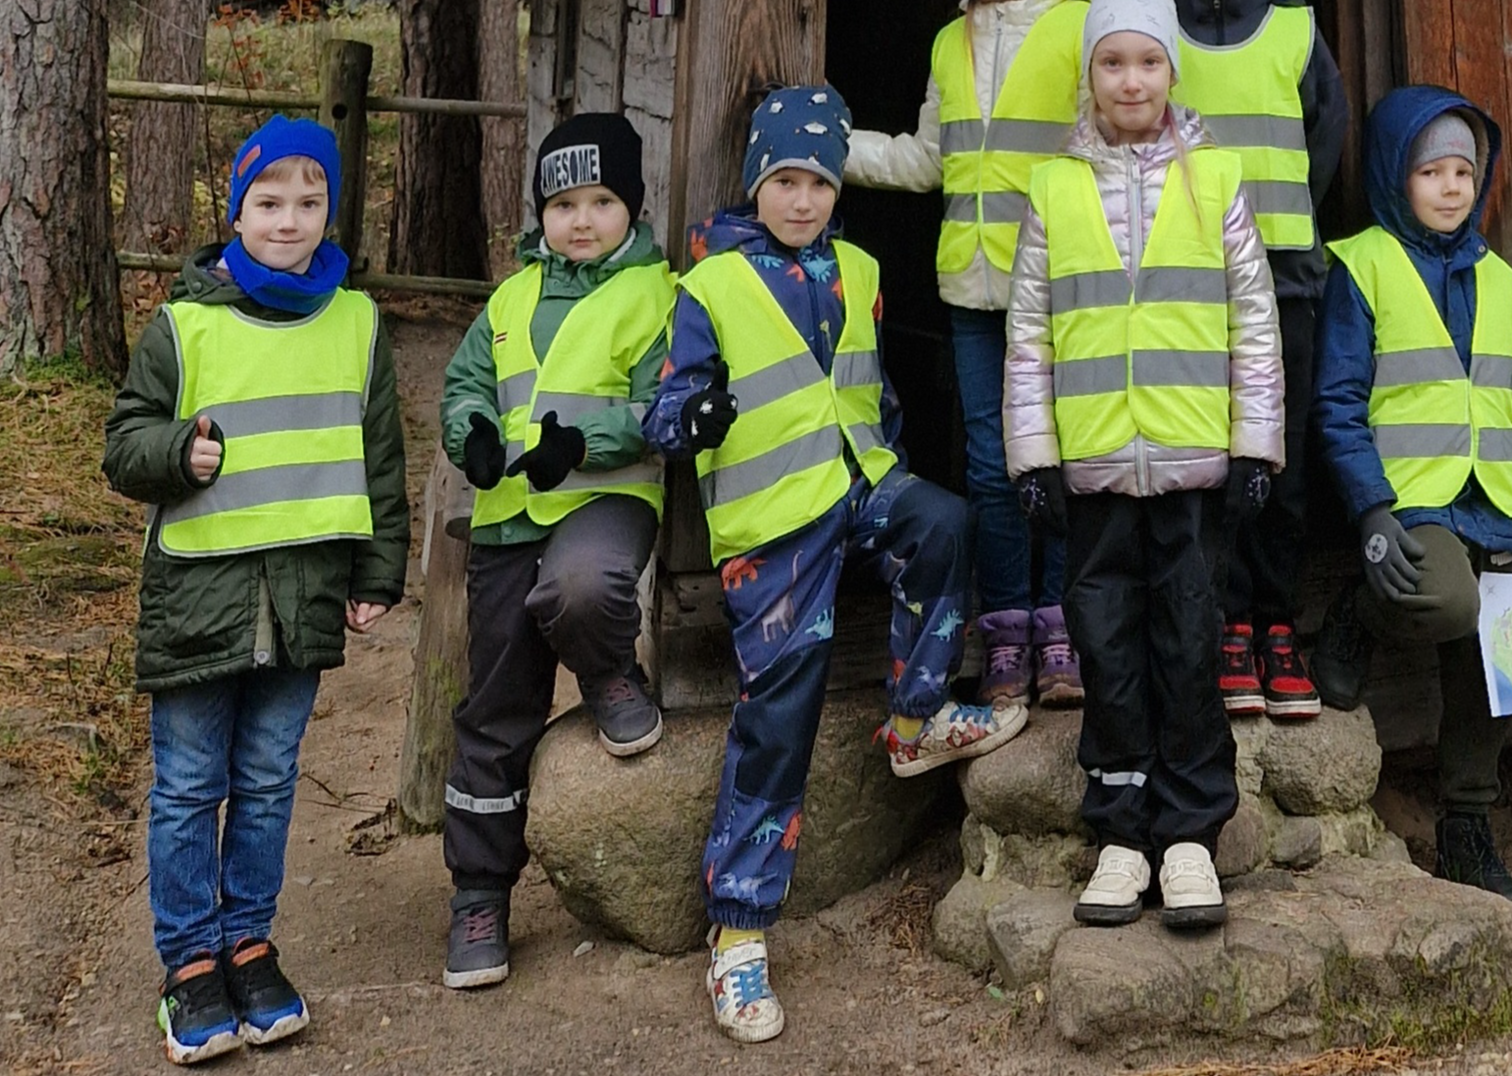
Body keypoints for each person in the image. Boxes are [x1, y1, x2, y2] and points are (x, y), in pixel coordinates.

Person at [645, 86, 1026, 1042]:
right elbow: (666, 406)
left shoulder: (859, 266)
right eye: (783, 180)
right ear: (755, 185)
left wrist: (888, 452)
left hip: (859, 486)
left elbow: (870, 386)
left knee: (942, 521)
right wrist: (690, 418)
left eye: (816, 179)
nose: (802, 198)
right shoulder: (709, 284)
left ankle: (914, 715)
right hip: (774, 525)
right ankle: (737, 935)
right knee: (779, 715)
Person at [102, 117, 408, 1065]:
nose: (289, 220)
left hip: (306, 597)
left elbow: (382, 460)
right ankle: (189, 963)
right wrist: (174, 454)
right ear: (236, 209)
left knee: (271, 782)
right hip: (202, 598)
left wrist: (377, 571)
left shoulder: (356, 322)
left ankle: (250, 941)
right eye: (268, 202)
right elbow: (122, 444)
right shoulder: (185, 321)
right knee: (191, 784)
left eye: (309, 201)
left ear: (330, 210)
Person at [1003, 0, 1284, 931]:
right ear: (1089, 76)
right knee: (1107, 646)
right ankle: (1122, 832)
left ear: (1172, 70)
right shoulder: (1054, 186)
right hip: (1093, 471)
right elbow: (1028, 331)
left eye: (1148, 61)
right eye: (1113, 62)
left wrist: (1256, 443)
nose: (1132, 80)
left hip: (1195, 466)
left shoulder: (1217, 177)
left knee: (1190, 641)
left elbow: (1255, 318)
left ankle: (1191, 835)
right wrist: (1033, 455)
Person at [1305, 86, 1512, 915]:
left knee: (1489, 656)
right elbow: (1337, 401)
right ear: (1397, 175)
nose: (1453, 185)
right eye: (1432, 169)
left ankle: (1466, 823)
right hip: (1410, 502)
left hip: (1493, 500)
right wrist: (1368, 513)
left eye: (1465, 169)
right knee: (1450, 598)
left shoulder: (1500, 279)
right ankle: (1360, 612)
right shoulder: (1362, 264)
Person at [434, 114, 675, 991]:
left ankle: (611, 670)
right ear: (540, 213)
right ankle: (479, 890)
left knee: (580, 588)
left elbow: (664, 406)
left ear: (632, 207)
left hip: (604, 499)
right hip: (507, 517)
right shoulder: (508, 299)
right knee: (495, 702)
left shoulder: (659, 296)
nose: (580, 220)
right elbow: (466, 385)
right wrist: (475, 438)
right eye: (563, 203)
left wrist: (587, 440)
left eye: (601, 201)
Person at [844, 0, 1093, 708]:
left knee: (1060, 455)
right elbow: (927, 159)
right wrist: (829, 147)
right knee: (990, 465)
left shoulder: (1087, 25)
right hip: (973, 286)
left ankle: (1062, 626)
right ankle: (1007, 629)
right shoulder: (951, 42)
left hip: (1064, 283)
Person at [1159, 0, 1349, 722]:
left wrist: (1279, 231)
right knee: (1209, 456)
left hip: (1286, 280)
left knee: (1282, 458)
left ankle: (1278, 624)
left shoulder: (1296, 30)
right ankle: (1226, 622)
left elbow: (1326, 142)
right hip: (1191, 288)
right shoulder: (1156, 30)